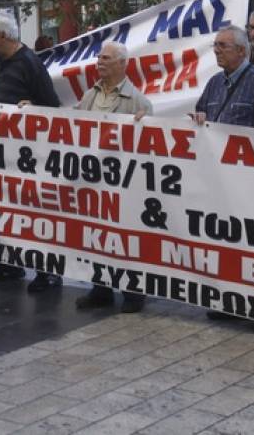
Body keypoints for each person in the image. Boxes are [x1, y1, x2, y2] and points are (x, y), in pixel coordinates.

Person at [193, 25, 254, 333]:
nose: (217, 50)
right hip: (220, 183)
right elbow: (200, 116)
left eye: (223, 46)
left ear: (242, 51)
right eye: (215, 45)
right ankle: (229, 302)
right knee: (226, 243)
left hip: (253, 182)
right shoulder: (214, 84)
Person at [0, 12, 63, 293]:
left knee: (36, 212)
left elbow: (51, 106)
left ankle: (48, 271)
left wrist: (33, 110)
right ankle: (10, 263)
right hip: (3, 152)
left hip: (30, 155)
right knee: (6, 209)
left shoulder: (30, 63)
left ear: (3, 36)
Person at [75, 41, 152, 313]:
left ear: (122, 64)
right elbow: (67, 124)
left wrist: (147, 123)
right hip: (94, 179)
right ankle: (101, 289)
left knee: (125, 236)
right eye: (98, 57)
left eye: (106, 58)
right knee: (97, 235)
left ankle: (133, 292)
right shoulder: (89, 96)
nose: (99, 62)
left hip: (123, 183)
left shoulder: (138, 101)